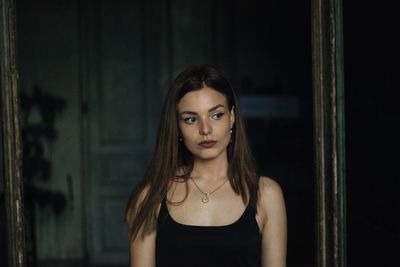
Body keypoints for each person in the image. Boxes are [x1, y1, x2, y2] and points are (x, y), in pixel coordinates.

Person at [125, 65, 287, 267]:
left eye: (216, 115)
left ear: (232, 117)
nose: (205, 129)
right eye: (191, 119)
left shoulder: (266, 194)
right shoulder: (150, 196)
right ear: (177, 126)